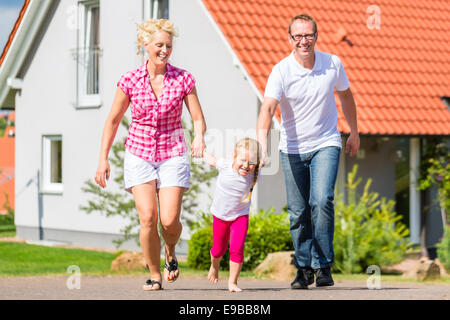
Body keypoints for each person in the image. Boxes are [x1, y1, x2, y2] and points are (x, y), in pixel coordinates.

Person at [94, 19, 206, 291]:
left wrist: (199, 137)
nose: (164, 50)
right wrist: (103, 158)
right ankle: (155, 274)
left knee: (169, 221)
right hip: (139, 153)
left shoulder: (184, 79)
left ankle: (171, 249)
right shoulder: (130, 80)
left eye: (168, 45)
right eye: (159, 45)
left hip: (173, 152)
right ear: (145, 45)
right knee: (148, 217)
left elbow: (198, 118)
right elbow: (112, 120)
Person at [256, 14, 360, 289]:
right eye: (298, 36)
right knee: (298, 212)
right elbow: (267, 109)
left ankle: (323, 265)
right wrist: (261, 144)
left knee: (322, 200)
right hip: (292, 148)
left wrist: (354, 131)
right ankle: (304, 268)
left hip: (326, 142)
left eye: (308, 35)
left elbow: (346, 96)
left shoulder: (332, 64)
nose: (304, 40)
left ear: (316, 36)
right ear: (289, 39)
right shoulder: (281, 71)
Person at [204, 138, 261, 292]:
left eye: (251, 162)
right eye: (242, 160)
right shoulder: (225, 165)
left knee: (237, 248)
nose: (246, 165)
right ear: (234, 156)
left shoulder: (255, 172)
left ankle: (232, 282)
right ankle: (214, 267)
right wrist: (201, 149)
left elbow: (262, 162)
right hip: (220, 216)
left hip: (240, 216)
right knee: (218, 250)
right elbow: (211, 160)